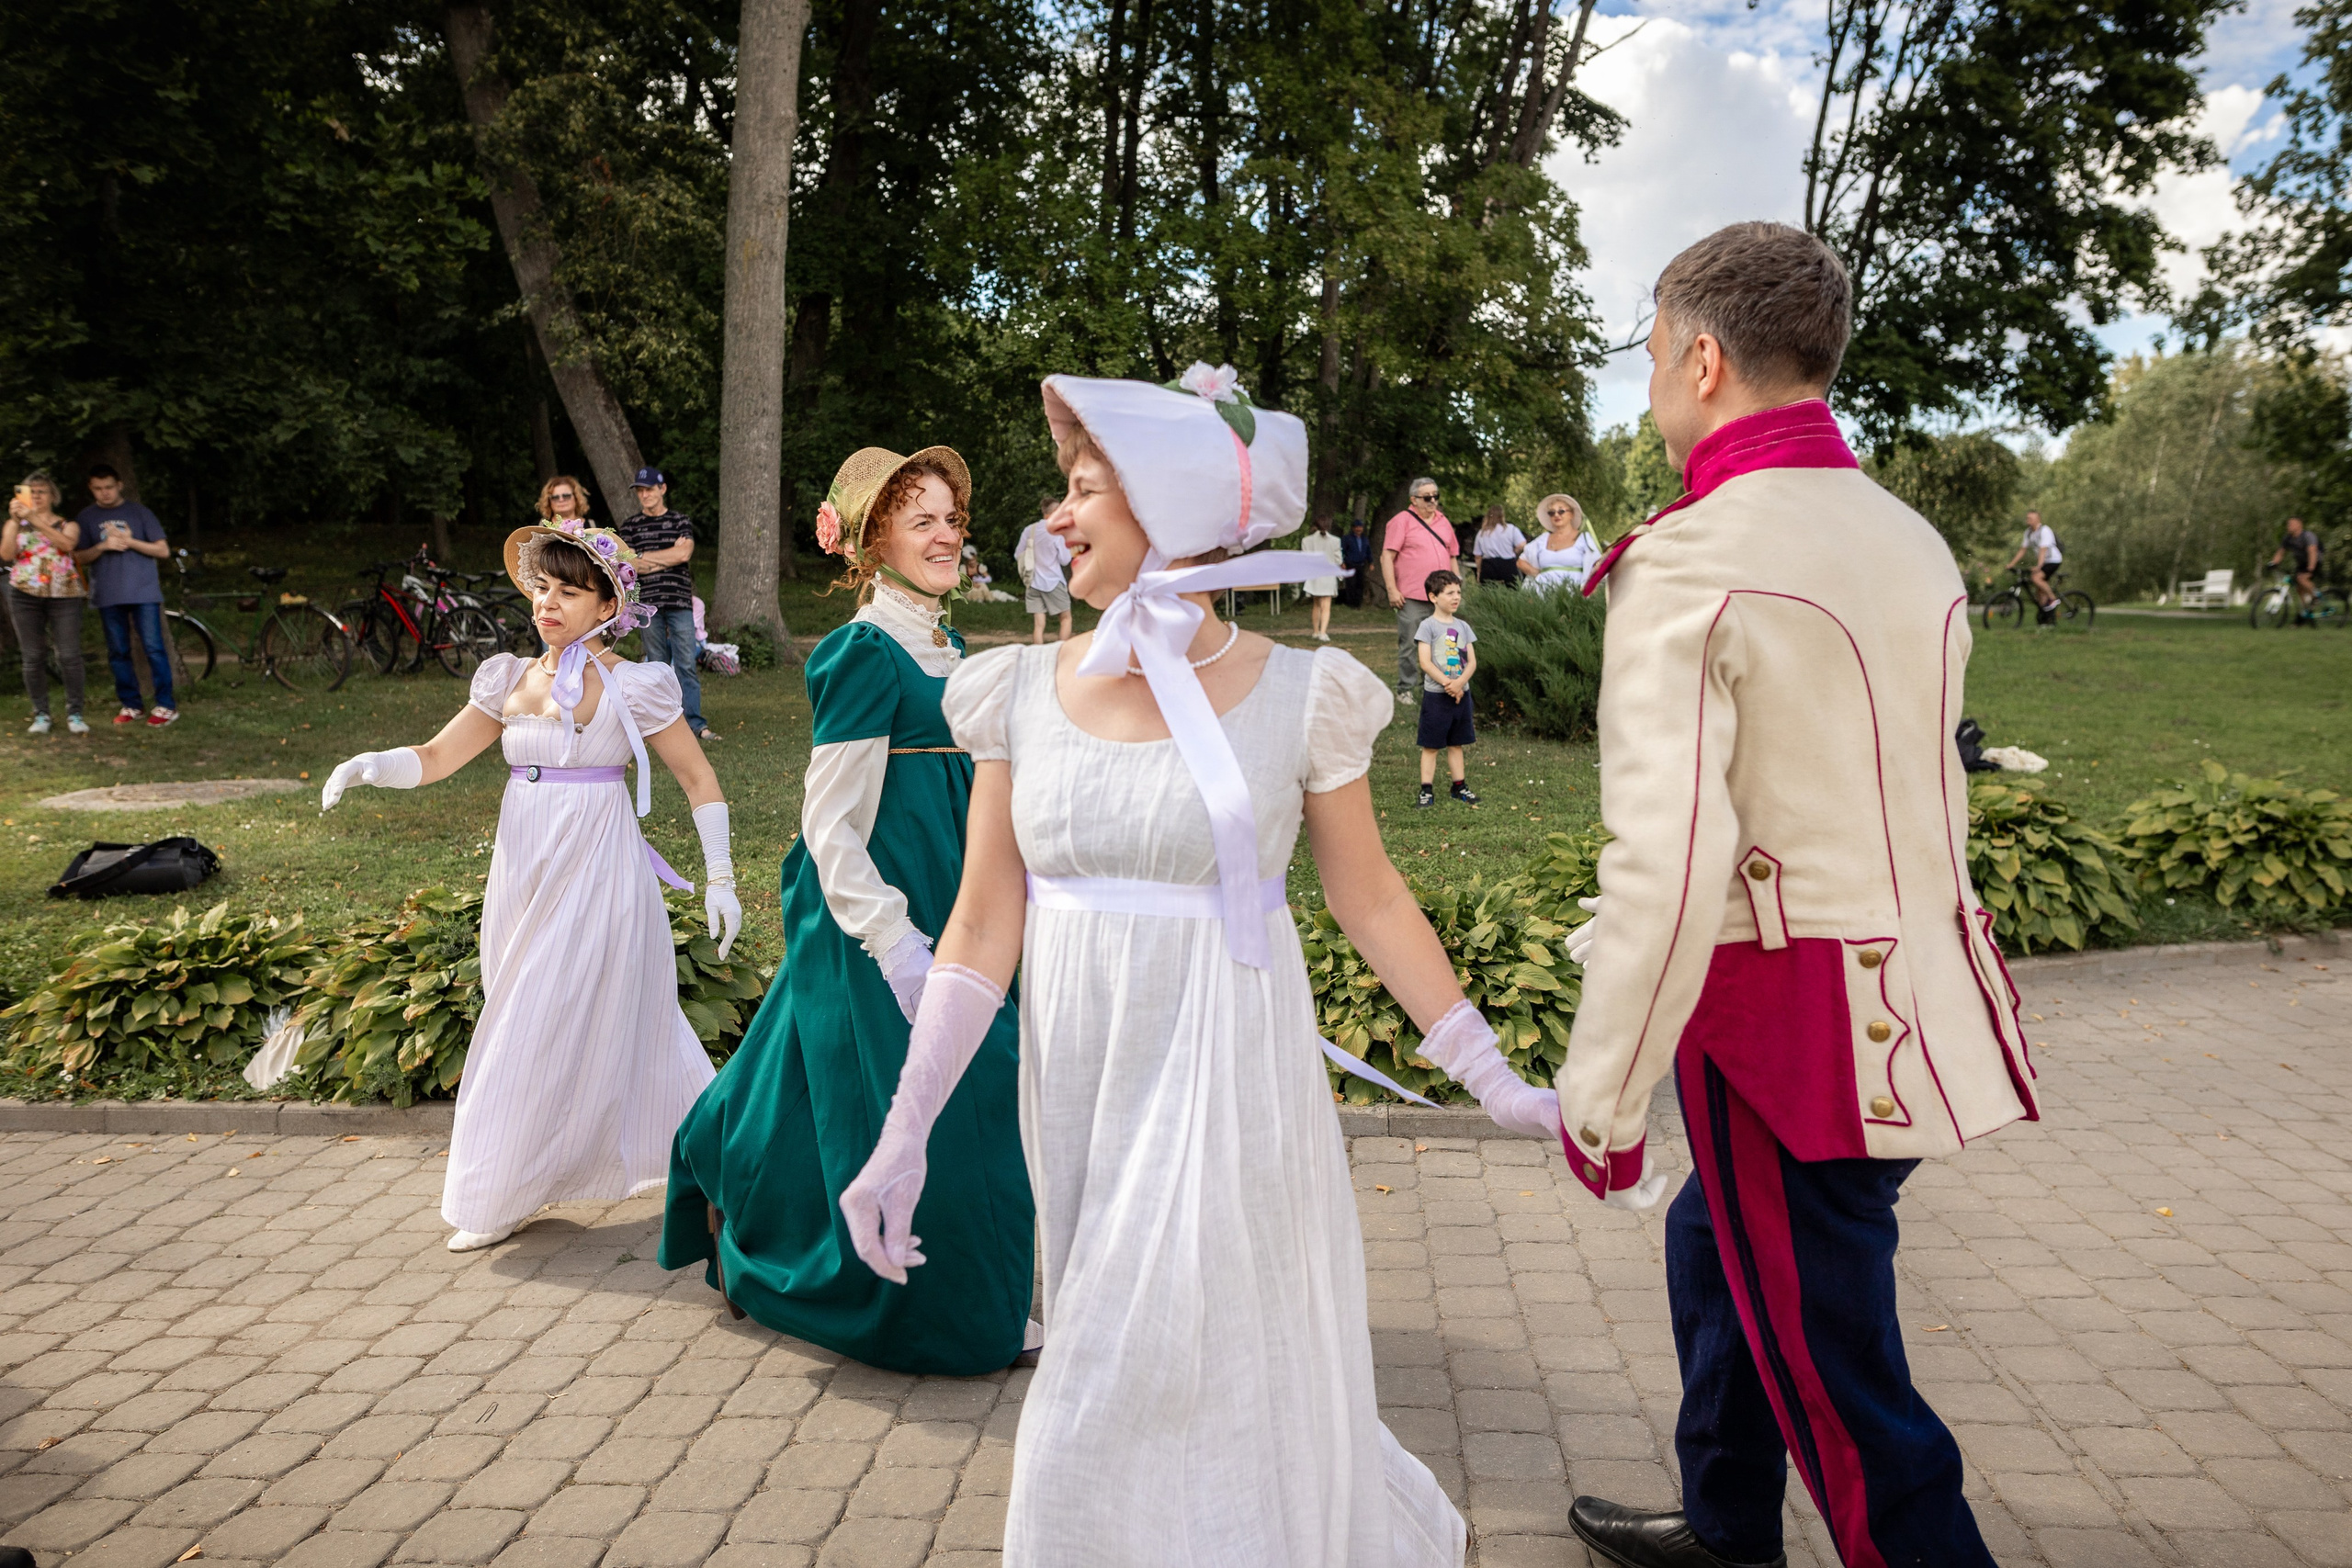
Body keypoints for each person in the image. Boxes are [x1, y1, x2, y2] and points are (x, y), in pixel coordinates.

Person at [838, 363, 1565, 1568]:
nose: (1056, 516)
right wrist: (904, 1130)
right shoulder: (1015, 692)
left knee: (1152, 1364)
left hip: (1230, 1080)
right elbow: (979, 923)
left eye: (1083, 489)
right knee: (1128, 1348)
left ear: (1168, 504)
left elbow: (1371, 897)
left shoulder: (1301, 695)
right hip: (1082, 1090)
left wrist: (1491, 1078)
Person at [1559, 222, 2033, 1568]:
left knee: (1846, 1393)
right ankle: (1726, 1522)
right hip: (1916, 996)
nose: (1654, 383)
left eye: (1656, 354)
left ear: (1704, 359)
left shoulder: (1689, 554)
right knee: (1719, 1246)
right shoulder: (1910, 537)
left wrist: (1603, 1097)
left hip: (1787, 1032)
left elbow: (1667, 860)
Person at [660, 445, 1037, 1375]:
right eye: (922, 521)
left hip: (958, 889)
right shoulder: (862, 651)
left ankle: (724, 1160)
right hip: (884, 903)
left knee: (813, 1074)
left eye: (952, 519)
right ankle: (944, 1312)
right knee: (945, 1097)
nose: (946, 536)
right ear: (872, 544)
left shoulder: (949, 645)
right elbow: (829, 827)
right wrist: (895, 941)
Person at [320, 517, 741, 1252]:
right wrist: (371, 765)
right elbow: (437, 757)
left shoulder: (636, 685)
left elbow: (698, 778)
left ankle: (496, 1193)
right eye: (542, 587)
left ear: (608, 605)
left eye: (569, 591)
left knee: (537, 1025)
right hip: (522, 867)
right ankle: (559, 1179)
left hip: (599, 869)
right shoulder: (507, 677)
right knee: (528, 1016)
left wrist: (722, 877)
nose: (548, 602)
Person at [616, 468, 714, 742]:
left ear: (662, 489)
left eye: (649, 489)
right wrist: (665, 557)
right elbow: (630, 565)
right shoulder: (630, 526)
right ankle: (661, 725)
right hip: (648, 606)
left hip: (680, 601)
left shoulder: (680, 520)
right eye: (640, 490)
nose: (644, 494)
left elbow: (684, 554)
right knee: (656, 667)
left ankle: (695, 724)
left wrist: (645, 557)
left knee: (686, 664)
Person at [74, 465, 175, 728]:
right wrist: (102, 546)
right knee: (118, 652)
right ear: (91, 489)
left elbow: (163, 551)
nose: (104, 493)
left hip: (143, 591)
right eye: (98, 488)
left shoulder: (139, 512)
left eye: (109, 487)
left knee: (154, 648)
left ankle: (166, 705)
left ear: (119, 485)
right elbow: (78, 558)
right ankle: (132, 704)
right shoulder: (86, 517)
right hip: (108, 593)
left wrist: (130, 542)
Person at [6, 472, 89, 736]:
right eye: (30, 492)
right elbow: (6, 554)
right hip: (24, 594)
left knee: (69, 655)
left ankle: (75, 713)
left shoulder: (67, 524)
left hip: (64, 594)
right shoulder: (14, 525)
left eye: (41, 491)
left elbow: (67, 544)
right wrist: (15, 522)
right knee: (32, 656)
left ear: (53, 495)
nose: (36, 496)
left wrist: (35, 520)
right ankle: (41, 713)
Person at [1382, 477, 1455, 699]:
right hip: (1411, 595)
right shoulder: (1401, 521)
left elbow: (1452, 555)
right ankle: (1405, 689)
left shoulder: (1444, 521)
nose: (1432, 500)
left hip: (1442, 596)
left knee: (1441, 645)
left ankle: (1433, 688)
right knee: (1410, 644)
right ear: (1414, 499)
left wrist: (1456, 587)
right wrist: (1392, 590)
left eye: (1435, 496)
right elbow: (1387, 557)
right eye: (1427, 497)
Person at [1413, 570, 1479, 807]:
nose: (1456, 597)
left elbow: (1472, 662)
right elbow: (1425, 662)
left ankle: (1459, 787)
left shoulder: (1463, 626)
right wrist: (1448, 684)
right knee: (1431, 746)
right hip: (1437, 697)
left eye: (1458, 592)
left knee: (1456, 743)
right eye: (1450, 593)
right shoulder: (1427, 626)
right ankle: (1426, 790)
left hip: (1461, 695)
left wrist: (1460, 684)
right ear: (1433, 597)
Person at [1016, 493, 1074, 643]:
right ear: (1055, 511)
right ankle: (1061, 652)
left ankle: (1038, 652)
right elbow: (1065, 560)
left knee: (1039, 625)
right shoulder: (1057, 532)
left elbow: (1018, 554)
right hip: (1053, 581)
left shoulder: (1030, 530)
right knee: (1066, 618)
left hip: (1033, 582)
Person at [1518, 492, 1602, 593]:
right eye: (1551, 513)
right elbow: (1521, 562)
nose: (1556, 515)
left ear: (1571, 514)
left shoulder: (1584, 539)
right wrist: (1539, 575)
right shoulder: (1542, 540)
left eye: (1561, 511)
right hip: (1543, 594)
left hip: (1574, 593)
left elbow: (1598, 566)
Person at [2001, 507, 2063, 619]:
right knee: (2039, 591)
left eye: (2031, 518)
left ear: (2038, 519)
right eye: (2027, 518)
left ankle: (2053, 598)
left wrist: (2039, 566)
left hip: (2053, 560)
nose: (2028, 520)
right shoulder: (2028, 533)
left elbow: (2043, 550)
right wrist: (2011, 564)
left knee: (2036, 578)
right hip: (2044, 561)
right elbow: (2022, 550)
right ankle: (2046, 618)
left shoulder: (2045, 530)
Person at [1298, 513, 1345, 640]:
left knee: (1316, 604)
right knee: (1326, 605)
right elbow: (1338, 560)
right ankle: (1323, 632)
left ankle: (1315, 631)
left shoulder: (1306, 540)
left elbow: (1305, 559)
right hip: (1328, 574)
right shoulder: (1335, 541)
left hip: (1314, 574)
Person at [2270, 516, 2324, 614]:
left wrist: (2311, 568)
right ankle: (2305, 612)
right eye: (2288, 524)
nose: (2288, 526)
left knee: (2301, 579)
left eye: (2291, 524)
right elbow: (2280, 552)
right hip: (2302, 563)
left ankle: (2316, 597)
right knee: (2299, 589)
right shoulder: (2287, 538)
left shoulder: (2307, 536)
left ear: (2299, 525)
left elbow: (2312, 551)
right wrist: (2273, 563)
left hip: (2314, 561)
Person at [1472, 503, 1526, 585]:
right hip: (1508, 565)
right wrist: (1514, 551)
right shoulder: (1511, 529)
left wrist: (1479, 570)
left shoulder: (1482, 532)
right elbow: (1522, 544)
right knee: (1511, 590)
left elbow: (1477, 555)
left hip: (1489, 566)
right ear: (1502, 516)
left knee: (1488, 590)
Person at [1339, 517, 1374, 607]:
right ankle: (1350, 604)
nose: (1359, 529)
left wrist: (1371, 562)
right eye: (1357, 527)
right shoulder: (1347, 538)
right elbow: (1341, 551)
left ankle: (1357, 604)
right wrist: (1342, 562)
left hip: (1361, 565)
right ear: (1353, 528)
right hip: (1350, 564)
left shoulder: (1365, 539)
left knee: (1360, 584)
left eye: (1360, 527)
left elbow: (1368, 551)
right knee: (1351, 584)